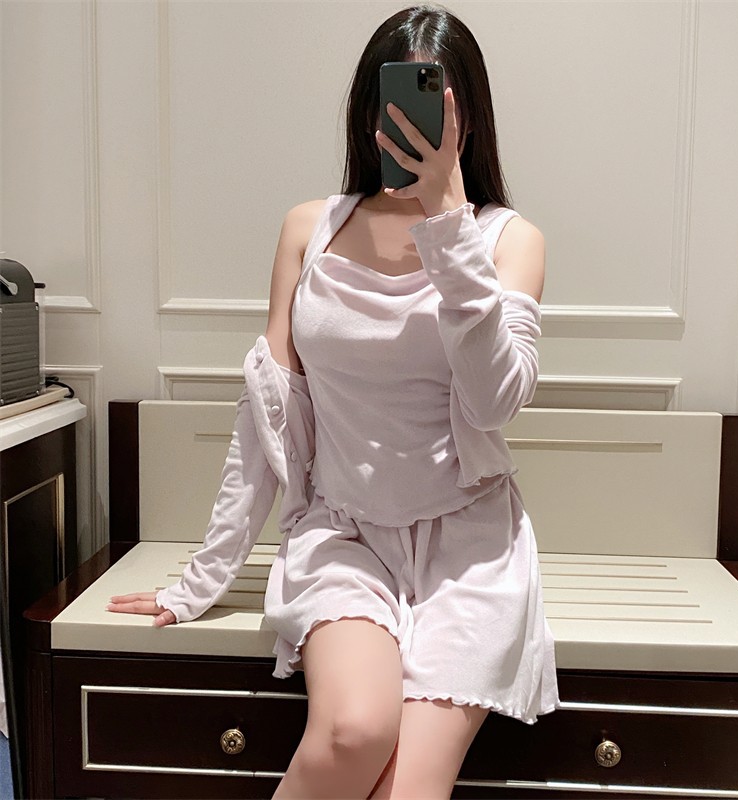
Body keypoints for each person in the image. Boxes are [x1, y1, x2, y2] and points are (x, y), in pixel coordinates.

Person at [107, 4, 560, 798]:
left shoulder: (508, 241)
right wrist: (202, 580)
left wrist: (449, 227)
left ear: (467, 120)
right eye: (395, 106)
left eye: (433, 109)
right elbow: (269, 420)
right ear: (367, 112)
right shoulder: (307, 230)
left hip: (470, 550)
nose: (410, 129)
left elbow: (495, 403)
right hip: (342, 534)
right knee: (353, 731)